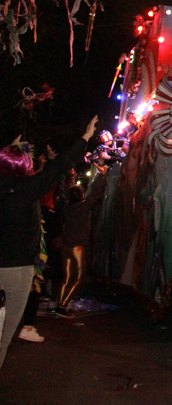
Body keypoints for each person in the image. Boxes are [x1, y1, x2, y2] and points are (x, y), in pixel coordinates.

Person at [0, 116, 97, 370]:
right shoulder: (27, 189)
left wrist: (11, 149)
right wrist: (84, 138)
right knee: (6, 333)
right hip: (18, 268)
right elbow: (60, 167)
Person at [56, 185, 95, 314]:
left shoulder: (66, 208)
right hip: (78, 246)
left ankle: (59, 303)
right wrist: (102, 176)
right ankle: (63, 304)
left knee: (66, 278)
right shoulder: (83, 207)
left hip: (66, 246)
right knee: (79, 278)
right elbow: (95, 195)